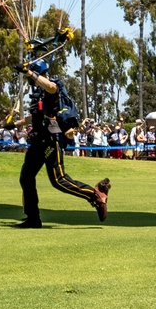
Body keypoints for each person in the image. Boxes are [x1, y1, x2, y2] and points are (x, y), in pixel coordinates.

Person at [16, 59, 110, 227]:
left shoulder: (51, 88)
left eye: (32, 75)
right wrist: (15, 124)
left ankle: (95, 195)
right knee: (26, 177)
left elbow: (51, 87)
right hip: (39, 141)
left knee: (59, 180)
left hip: (51, 142)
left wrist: (30, 72)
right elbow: (35, 117)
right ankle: (33, 218)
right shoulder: (39, 94)